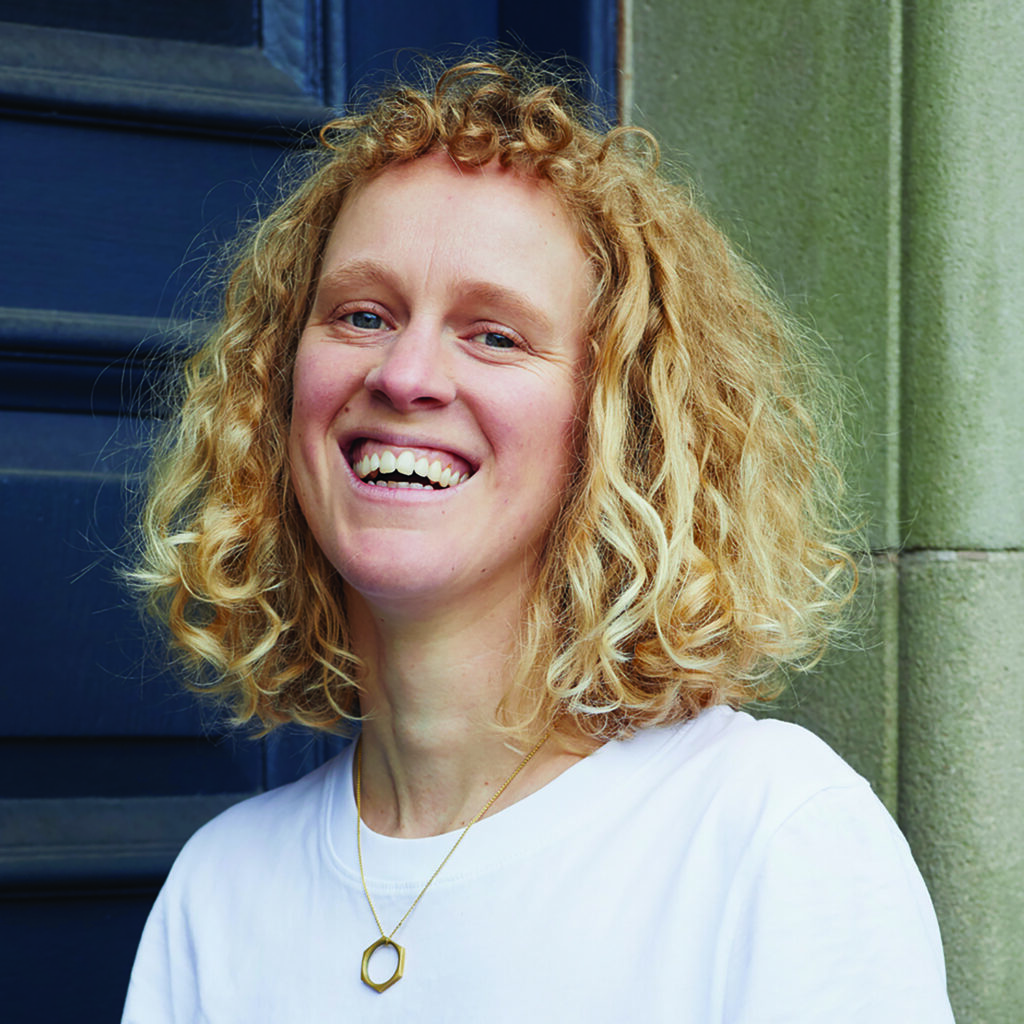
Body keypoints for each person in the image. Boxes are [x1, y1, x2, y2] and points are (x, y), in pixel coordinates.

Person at [122, 56, 954, 1022]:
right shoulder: (219, 891)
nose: (405, 374)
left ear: (616, 423)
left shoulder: (770, 836)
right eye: (363, 315)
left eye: (495, 334)